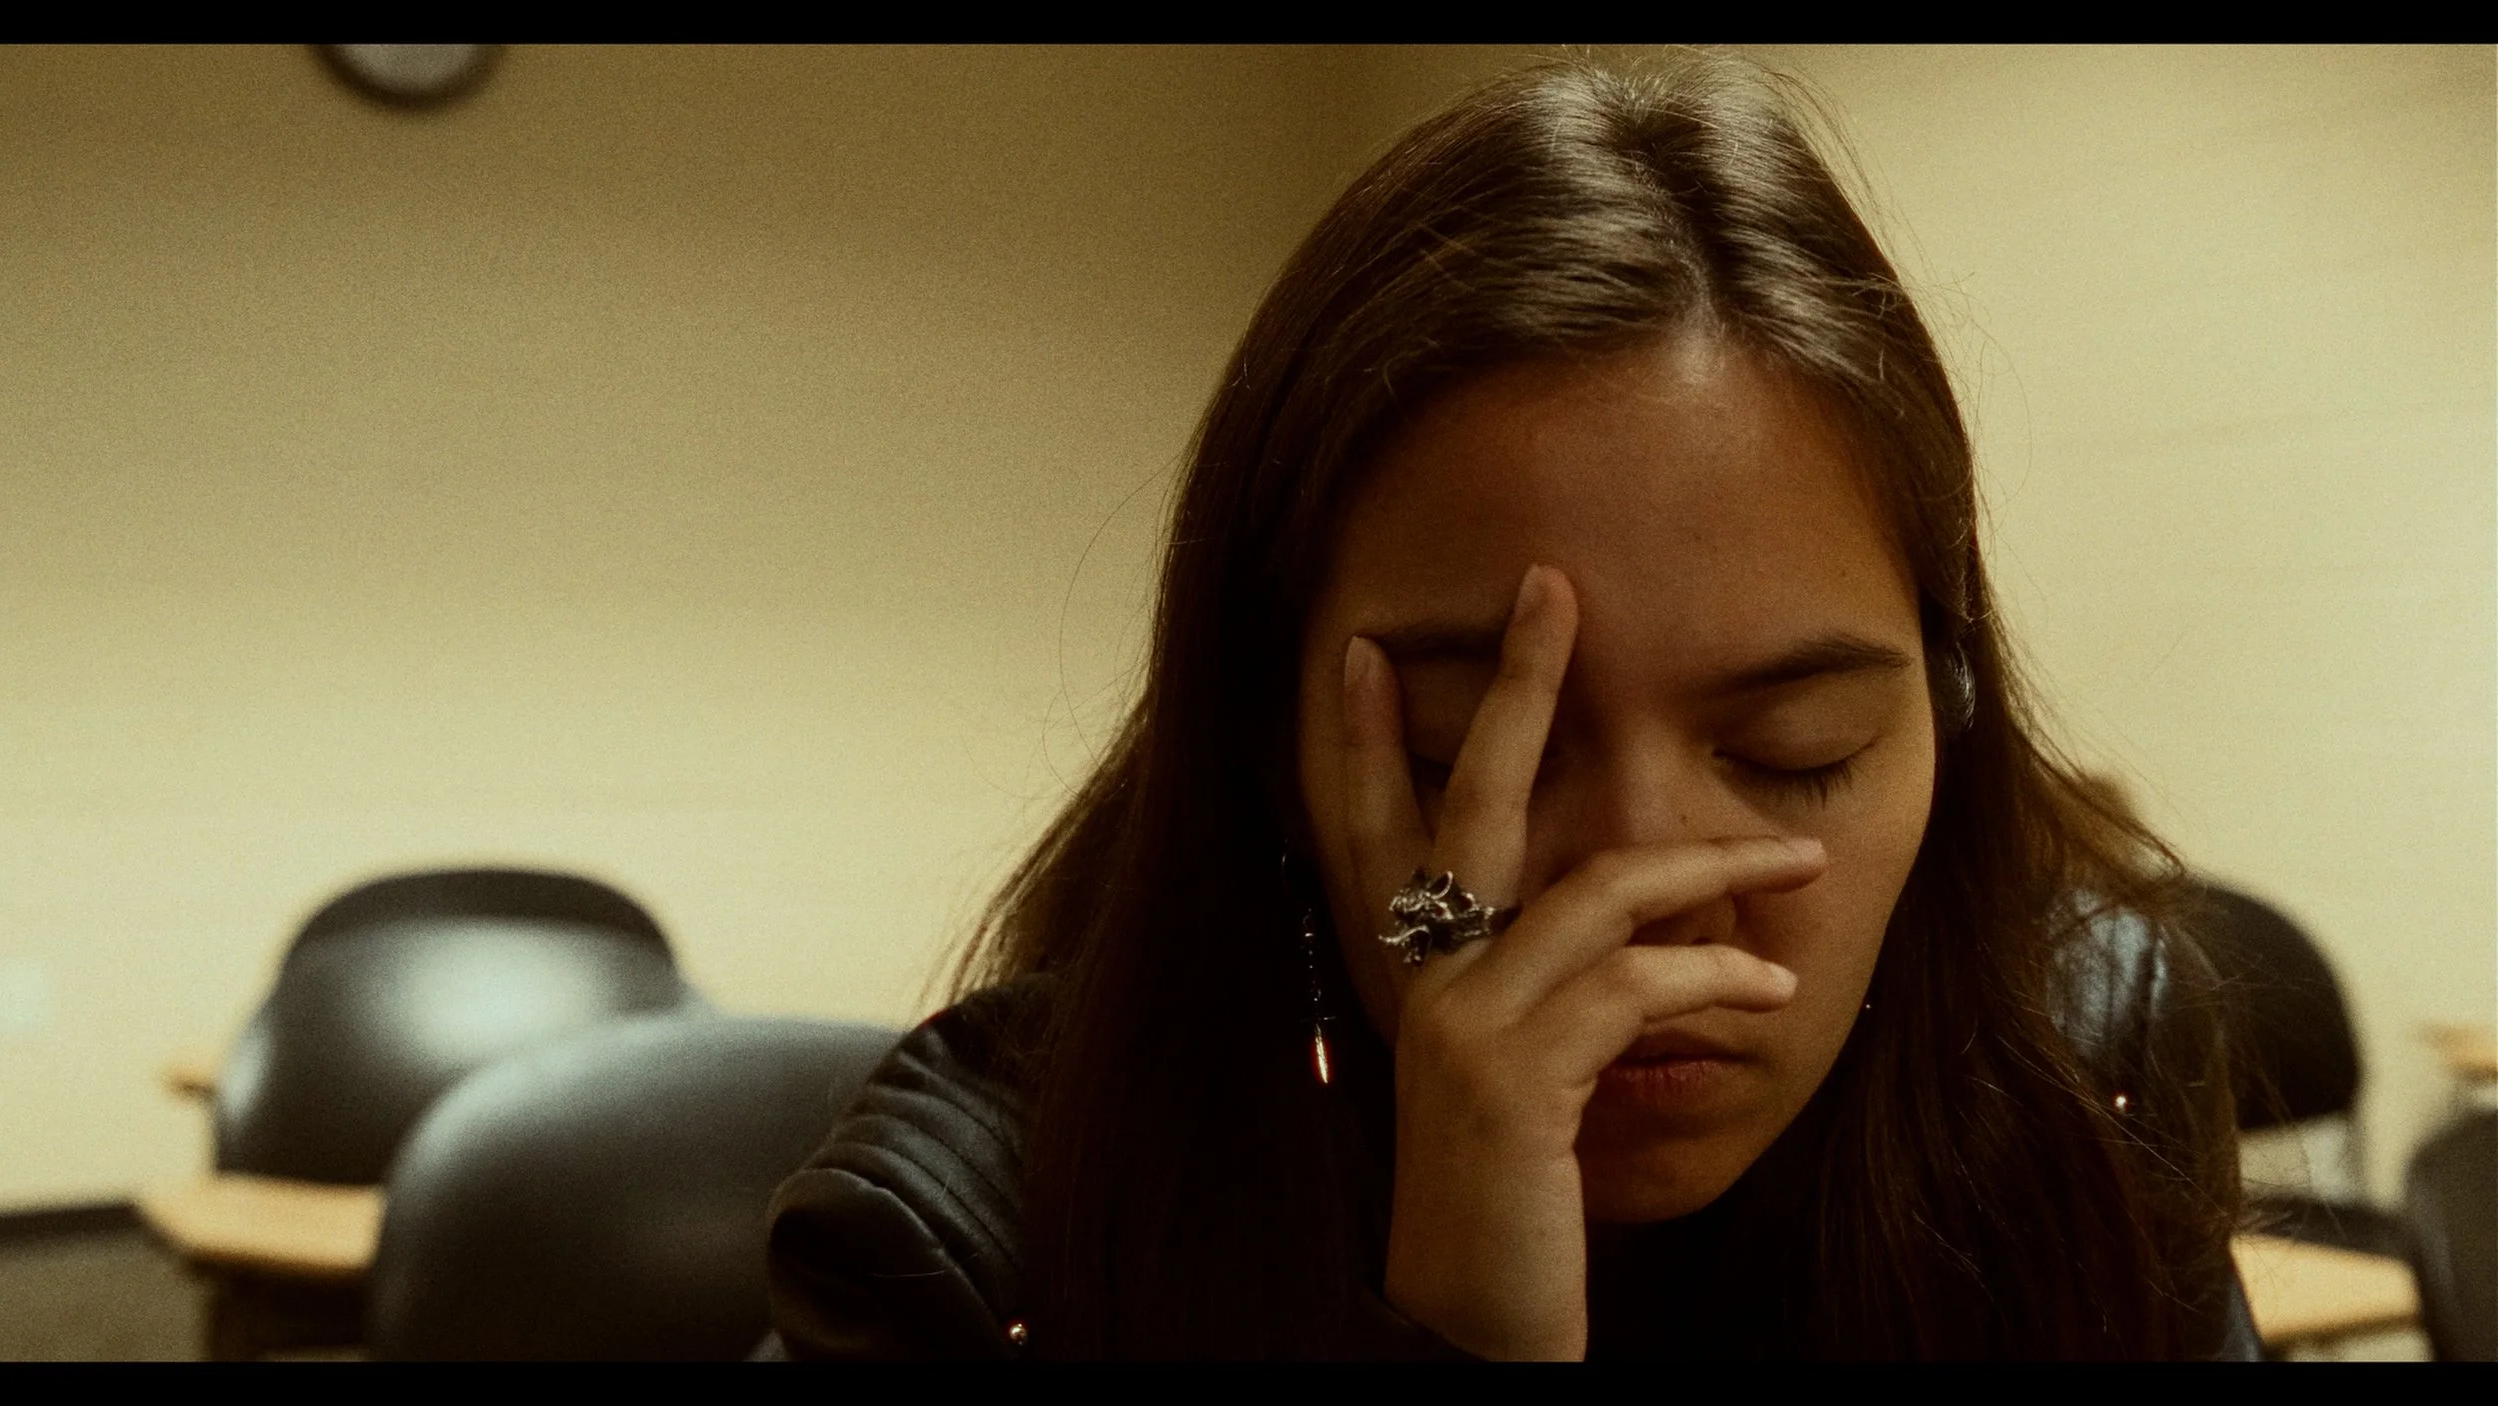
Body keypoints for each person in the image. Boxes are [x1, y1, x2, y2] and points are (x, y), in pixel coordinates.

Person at [767, 56, 2256, 1360]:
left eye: (1796, 756)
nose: (1645, 905)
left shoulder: (2082, 1075)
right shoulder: (965, 1240)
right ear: (1267, 741)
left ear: (1948, 717)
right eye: (1478, 747)